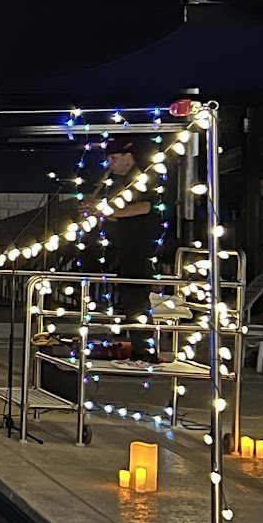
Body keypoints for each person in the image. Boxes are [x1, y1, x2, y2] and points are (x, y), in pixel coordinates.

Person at [100, 136, 162, 357]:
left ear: (129, 157)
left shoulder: (143, 178)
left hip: (139, 248)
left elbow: (145, 206)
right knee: (129, 300)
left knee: (136, 300)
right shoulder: (119, 182)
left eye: (115, 158)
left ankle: (144, 350)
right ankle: (138, 347)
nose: (111, 164)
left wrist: (109, 212)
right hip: (123, 248)